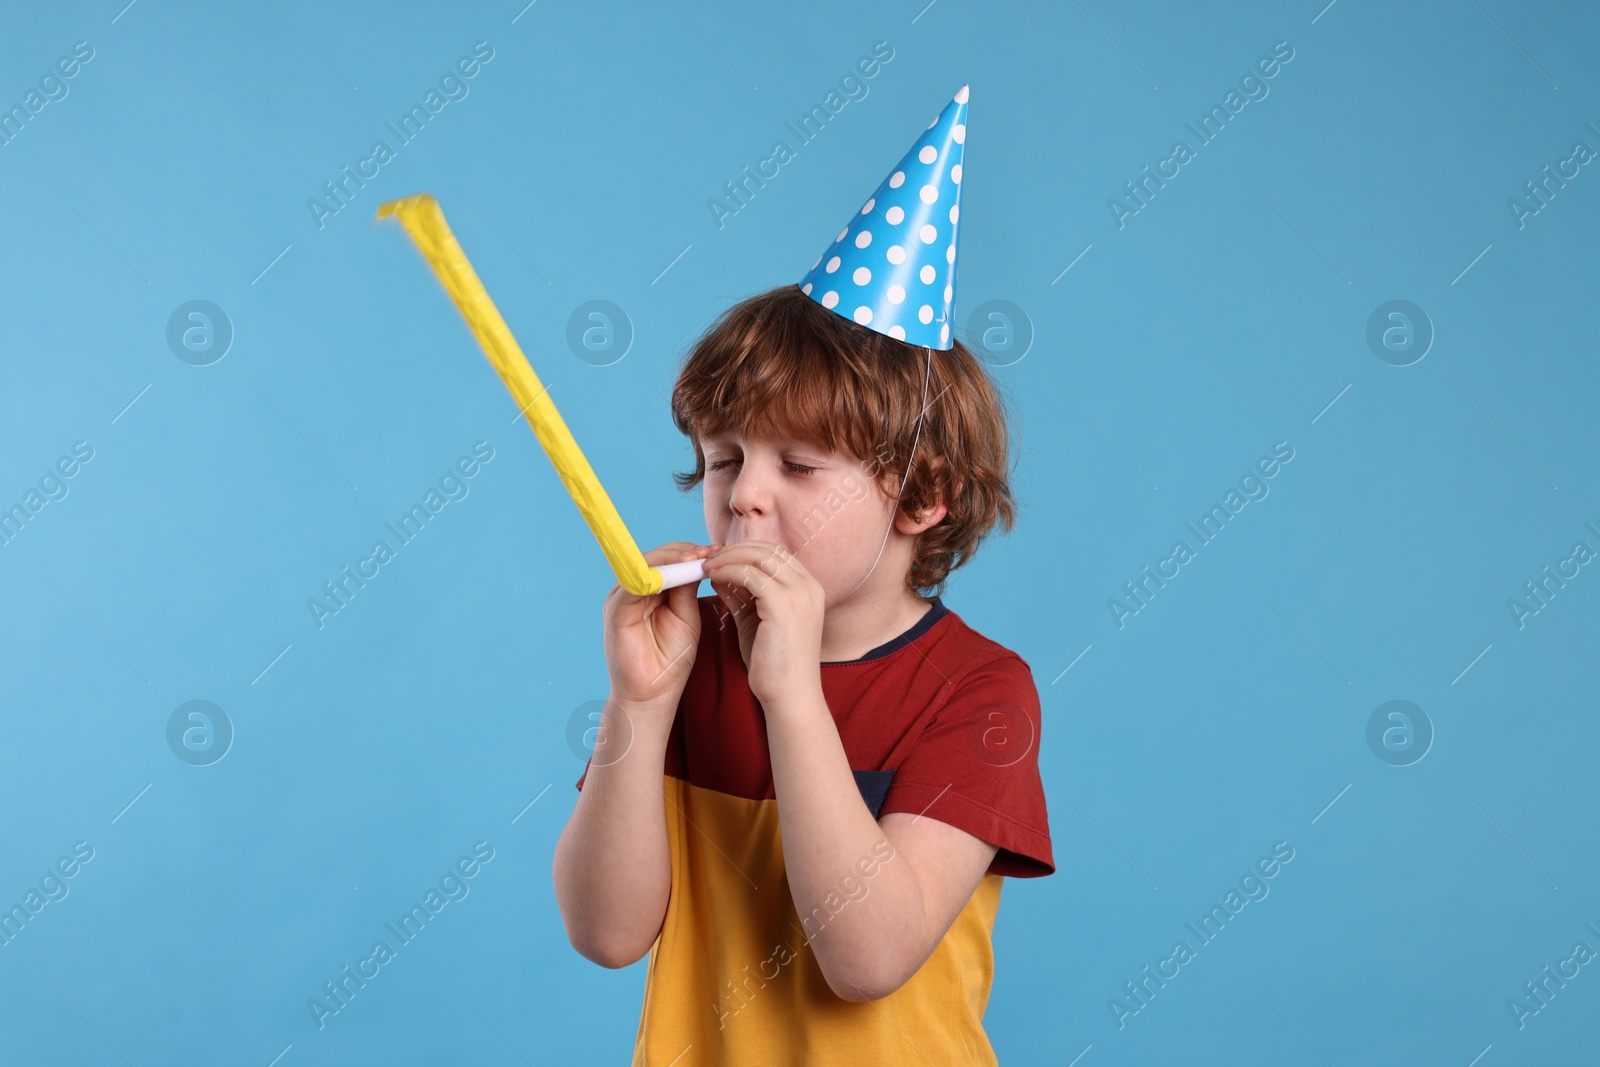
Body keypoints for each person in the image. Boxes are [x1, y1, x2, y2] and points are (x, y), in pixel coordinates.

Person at [552, 86, 1053, 1065]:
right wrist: (638, 705)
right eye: (726, 457)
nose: (743, 498)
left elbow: (865, 956)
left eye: (800, 466)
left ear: (922, 497)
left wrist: (790, 695)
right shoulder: (688, 664)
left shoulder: (979, 693)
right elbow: (605, 933)